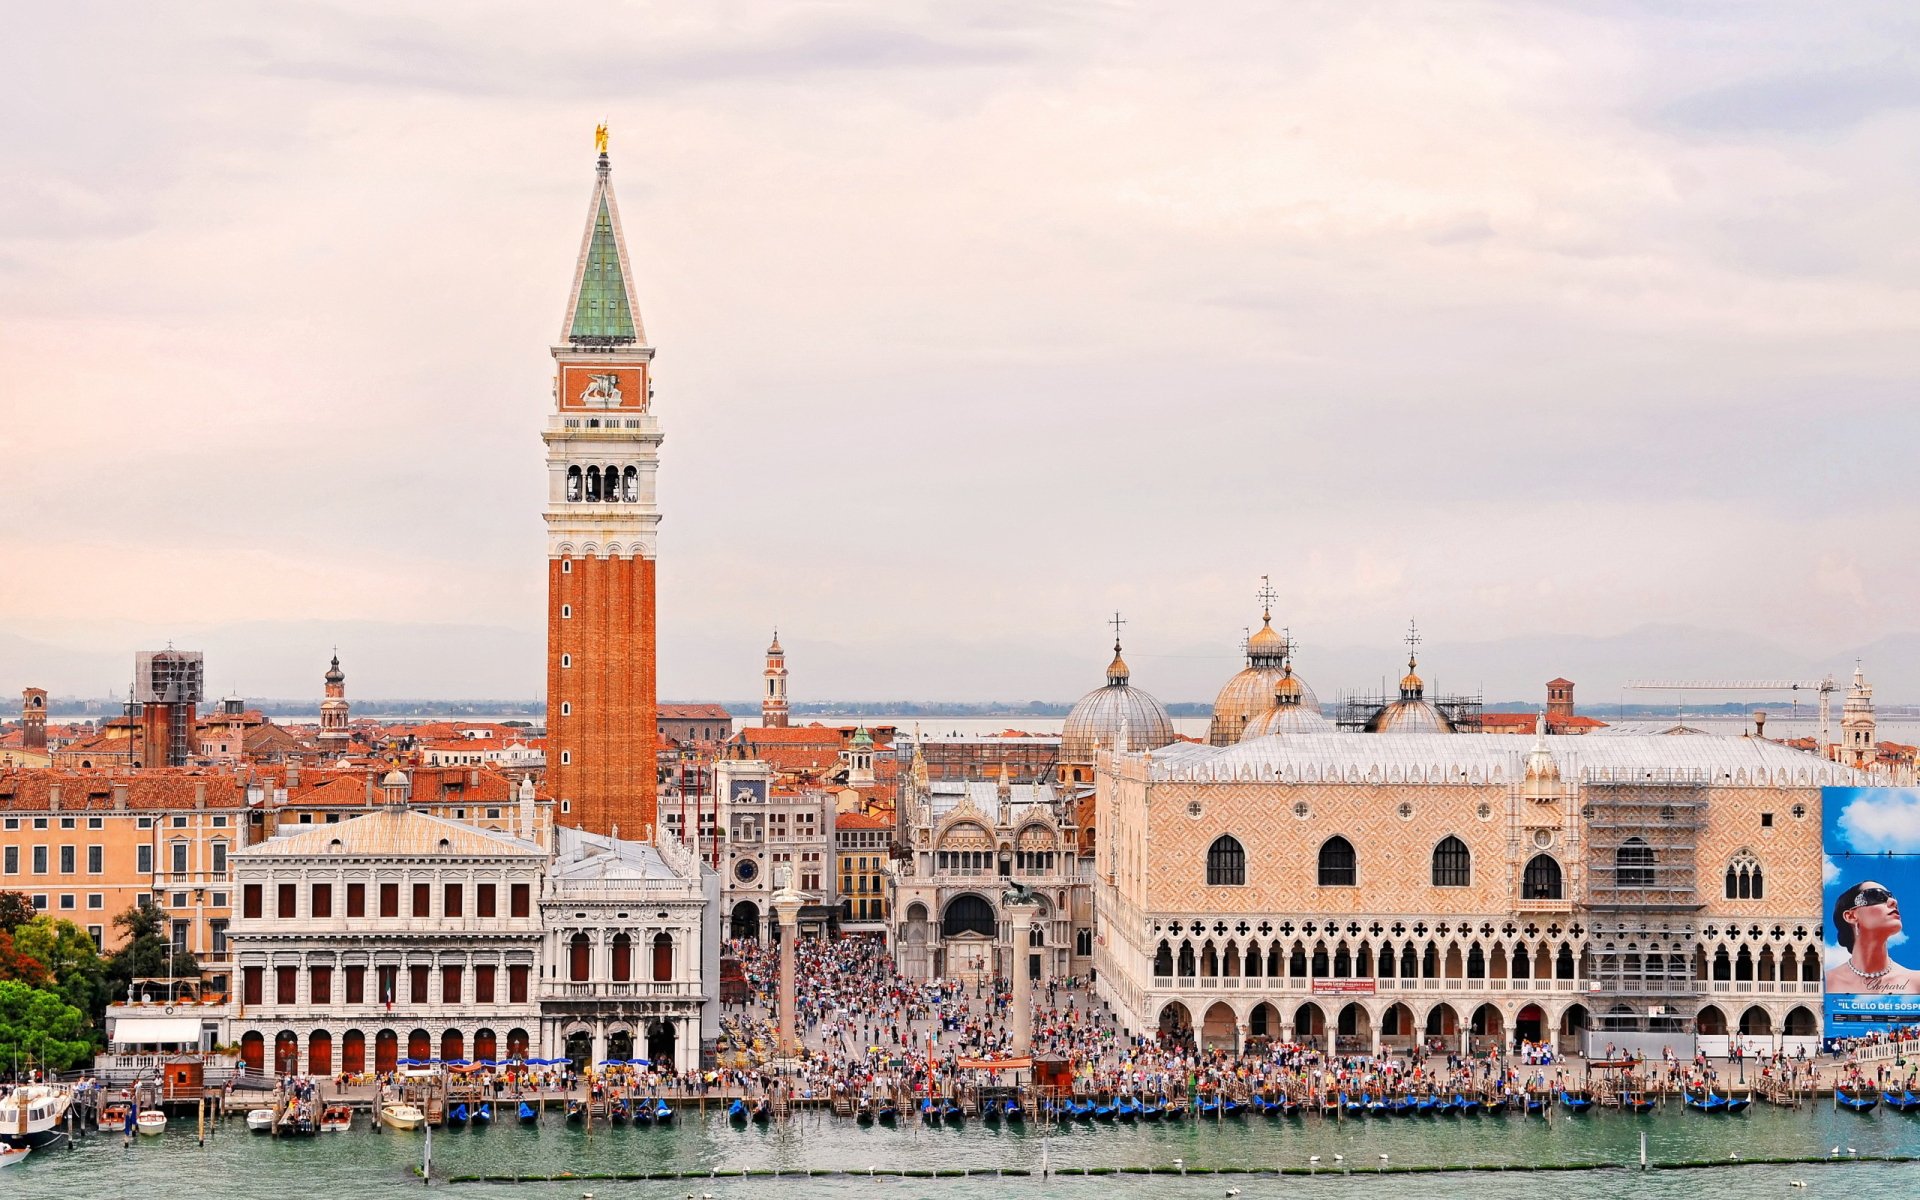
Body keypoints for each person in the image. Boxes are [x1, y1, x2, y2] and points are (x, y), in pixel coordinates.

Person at [1825, 880, 1920, 993]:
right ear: (1851, 916)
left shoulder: (1916, 982)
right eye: (1876, 895)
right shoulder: (1827, 982)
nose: (1893, 901)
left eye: (1891, 896)